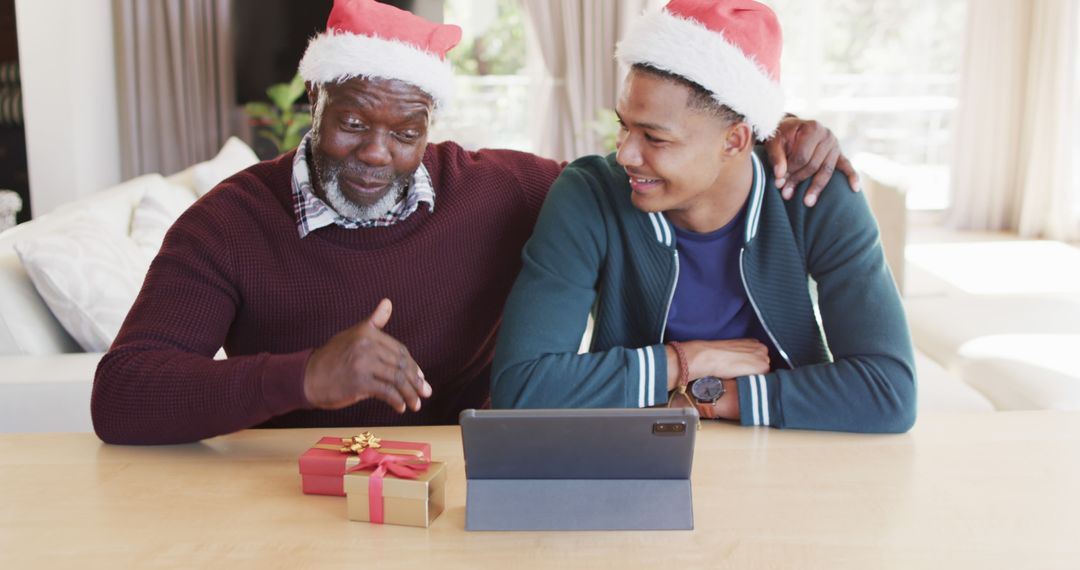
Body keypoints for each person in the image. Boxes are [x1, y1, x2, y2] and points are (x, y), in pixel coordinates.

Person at [91, 0, 858, 445]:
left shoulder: (501, 190)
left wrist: (766, 128)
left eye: (406, 131)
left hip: (465, 480)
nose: (377, 156)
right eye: (352, 123)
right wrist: (307, 376)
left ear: (431, 125)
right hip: (293, 484)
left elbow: (658, 167)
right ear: (312, 105)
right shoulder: (226, 224)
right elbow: (120, 395)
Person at [491, 0, 915, 433]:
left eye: (655, 138)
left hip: (793, 452)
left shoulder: (813, 194)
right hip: (640, 458)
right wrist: (687, 361)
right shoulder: (589, 196)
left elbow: (889, 391)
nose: (625, 154)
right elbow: (520, 388)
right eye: (625, 126)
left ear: (734, 141)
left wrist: (706, 398)